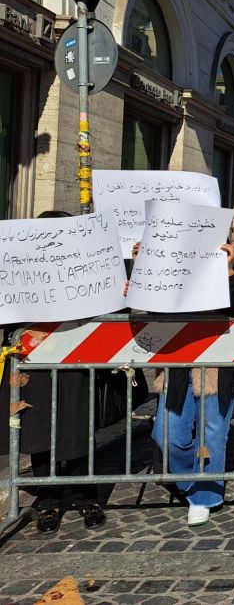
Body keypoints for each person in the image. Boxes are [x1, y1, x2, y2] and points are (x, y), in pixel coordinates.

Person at [15, 211, 117, 534]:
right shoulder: (22, 270)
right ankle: (47, 500)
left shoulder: (85, 268)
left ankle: (87, 496)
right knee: (39, 426)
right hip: (35, 360)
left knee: (77, 424)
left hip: (76, 357)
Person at [149, 233, 234, 526]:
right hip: (178, 365)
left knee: (213, 433)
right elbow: (153, 308)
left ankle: (205, 496)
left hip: (218, 368)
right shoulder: (170, 263)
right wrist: (145, 268)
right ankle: (190, 482)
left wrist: (229, 269)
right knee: (166, 435)